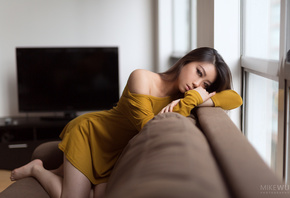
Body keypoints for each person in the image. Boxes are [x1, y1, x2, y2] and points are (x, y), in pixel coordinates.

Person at [10, 47, 242, 198]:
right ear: (186, 61)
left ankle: (62, 171)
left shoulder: (182, 99)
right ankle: (36, 169)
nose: (198, 84)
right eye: (198, 72)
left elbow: (235, 98)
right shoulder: (141, 78)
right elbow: (149, 127)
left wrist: (194, 98)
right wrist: (194, 99)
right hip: (92, 135)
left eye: (206, 84)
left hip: (116, 152)